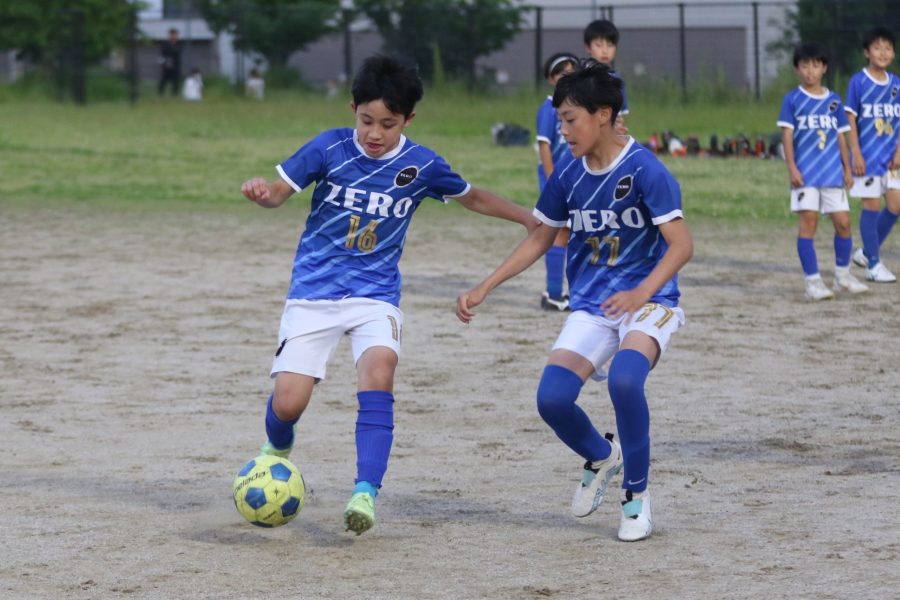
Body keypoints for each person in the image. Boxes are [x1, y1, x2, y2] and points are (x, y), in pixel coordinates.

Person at [239, 54, 536, 536]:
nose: (374, 133)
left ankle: (365, 492)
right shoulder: (329, 148)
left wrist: (526, 217)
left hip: (375, 295)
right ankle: (276, 448)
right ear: (353, 109)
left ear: (408, 119)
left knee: (379, 373)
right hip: (314, 293)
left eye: (387, 124)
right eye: (366, 120)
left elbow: (473, 197)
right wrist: (261, 192)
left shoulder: (422, 165)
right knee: (289, 403)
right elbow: (278, 191)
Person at [456, 62, 693, 542]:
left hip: (651, 301)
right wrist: (486, 285)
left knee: (625, 381)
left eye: (570, 119)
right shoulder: (567, 174)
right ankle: (603, 458)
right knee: (552, 399)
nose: (562, 130)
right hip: (592, 306)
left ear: (603, 114)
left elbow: (682, 245)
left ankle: (636, 497)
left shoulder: (645, 168)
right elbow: (540, 236)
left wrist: (642, 292)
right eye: (559, 120)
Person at [777, 44, 869, 300]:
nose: (810, 71)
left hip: (832, 175)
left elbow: (840, 136)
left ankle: (842, 276)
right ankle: (813, 282)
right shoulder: (792, 99)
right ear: (797, 69)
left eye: (815, 65)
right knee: (809, 223)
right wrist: (791, 167)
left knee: (843, 223)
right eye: (805, 65)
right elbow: (787, 136)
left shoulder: (834, 100)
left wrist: (847, 167)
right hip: (805, 175)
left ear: (824, 68)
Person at [845, 27, 900, 283]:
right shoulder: (859, 82)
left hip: (892, 158)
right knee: (871, 205)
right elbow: (850, 119)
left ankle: (866, 252)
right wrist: (855, 153)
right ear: (867, 52)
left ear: (894, 53)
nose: (883, 52)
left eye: (888, 48)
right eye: (877, 48)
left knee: (896, 206)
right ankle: (874, 265)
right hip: (866, 157)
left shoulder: (896, 84)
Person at [536, 52, 580, 311]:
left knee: (572, 233)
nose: (568, 78)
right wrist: (554, 180)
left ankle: (566, 291)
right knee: (559, 232)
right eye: (562, 74)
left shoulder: (575, 107)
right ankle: (554, 293)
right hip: (557, 181)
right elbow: (544, 146)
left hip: (575, 180)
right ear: (551, 79)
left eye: (572, 73)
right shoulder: (549, 108)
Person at [583, 19, 629, 134]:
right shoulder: (581, 76)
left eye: (610, 45)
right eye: (599, 45)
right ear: (587, 47)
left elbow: (619, 115)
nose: (605, 51)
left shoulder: (616, 80)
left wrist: (618, 128)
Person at [158, 28, 181, 96]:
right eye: (172, 35)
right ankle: (160, 92)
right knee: (164, 79)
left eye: (175, 35)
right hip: (167, 64)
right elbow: (164, 52)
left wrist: (172, 51)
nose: (173, 36)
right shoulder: (165, 44)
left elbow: (177, 52)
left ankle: (175, 93)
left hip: (175, 65)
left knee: (176, 80)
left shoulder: (178, 44)